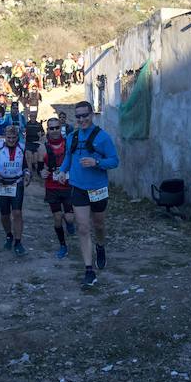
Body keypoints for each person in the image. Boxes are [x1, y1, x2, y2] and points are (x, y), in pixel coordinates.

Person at [57, 101, 119, 288]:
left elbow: (114, 161)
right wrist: (62, 171)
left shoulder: (103, 137)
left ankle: (100, 246)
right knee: (83, 227)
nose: (82, 119)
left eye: (85, 115)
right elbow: (68, 156)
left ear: (92, 115)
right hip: (78, 187)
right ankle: (89, 270)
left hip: (98, 188)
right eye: (78, 116)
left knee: (98, 225)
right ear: (75, 118)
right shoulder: (72, 136)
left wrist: (96, 162)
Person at [0, 125, 31, 256]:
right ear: (4, 136)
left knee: (17, 213)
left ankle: (18, 242)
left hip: (16, 183)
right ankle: (8, 235)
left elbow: (26, 165)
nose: (11, 140)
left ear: (18, 137)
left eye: (14, 137)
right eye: (9, 137)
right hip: (2, 183)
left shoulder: (22, 148)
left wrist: (28, 174)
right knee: (4, 214)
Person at [40, 117, 76, 258]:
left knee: (69, 218)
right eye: (51, 128)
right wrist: (41, 172)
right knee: (57, 217)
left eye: (56, 128)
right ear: (47, 129)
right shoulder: (43, 146)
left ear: (60, 128)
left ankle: (70, 224)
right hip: (52, 186)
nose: (54, 131)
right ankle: (62, 245)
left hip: (67, 185)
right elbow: (40, 167)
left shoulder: (68, 144)